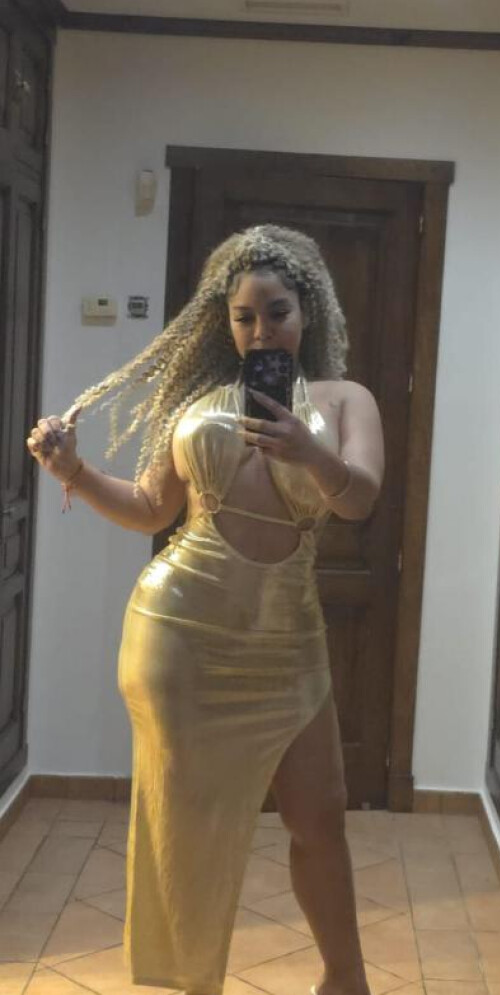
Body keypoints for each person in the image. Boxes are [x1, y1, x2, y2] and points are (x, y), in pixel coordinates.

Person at [27, 224, 385, 995]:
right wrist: (75, 470)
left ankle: (346, 978)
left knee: (320, 817)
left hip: (289, 642)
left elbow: (359, 499)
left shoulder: (343, 400)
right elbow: (151, 508)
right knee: (189, 829)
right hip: (182, 635)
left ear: (308, 310)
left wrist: (307, 449)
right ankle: (194, 984)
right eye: (244, 317)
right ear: (226, 323)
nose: (262, 332)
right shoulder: (195, 403)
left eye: (278, 313)